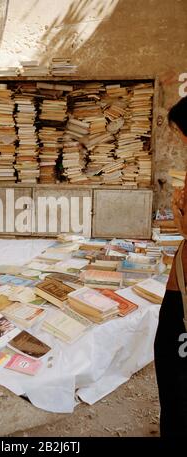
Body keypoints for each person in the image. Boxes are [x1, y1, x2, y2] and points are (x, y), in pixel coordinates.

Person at [154, 95, 187, 437]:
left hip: (184, 289)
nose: (178, 138)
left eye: (180, 131)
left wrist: (179, 214)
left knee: (173, 365)